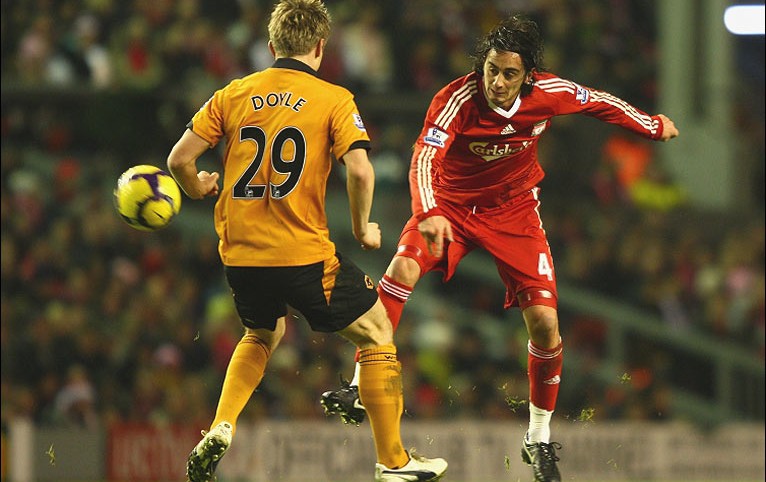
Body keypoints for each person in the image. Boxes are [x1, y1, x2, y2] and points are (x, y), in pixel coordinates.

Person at [320, 13, 679, 482]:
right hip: (449, 207)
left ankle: (538, 438)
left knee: (545, 323)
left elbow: (598, 102)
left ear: (528, 76)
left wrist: (651, 125)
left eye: (510, 73)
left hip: (514, 211)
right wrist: (427, 212)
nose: (498, 82)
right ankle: (357, 385)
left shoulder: (549, 92)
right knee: (401, 270)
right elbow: (424, 156)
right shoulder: (455, 99)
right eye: (492, 69)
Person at [166, 1, 448, 481]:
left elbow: (178, 160)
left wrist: (196, 187)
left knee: (262, 334)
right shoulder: (333, 99)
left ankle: (221, 424)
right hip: (301, 253)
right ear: (321, 47)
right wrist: (362, 228)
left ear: (271, 45)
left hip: (241, 255)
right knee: (378, 330)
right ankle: (394, 462)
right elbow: (360, 171)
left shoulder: (233, 93)